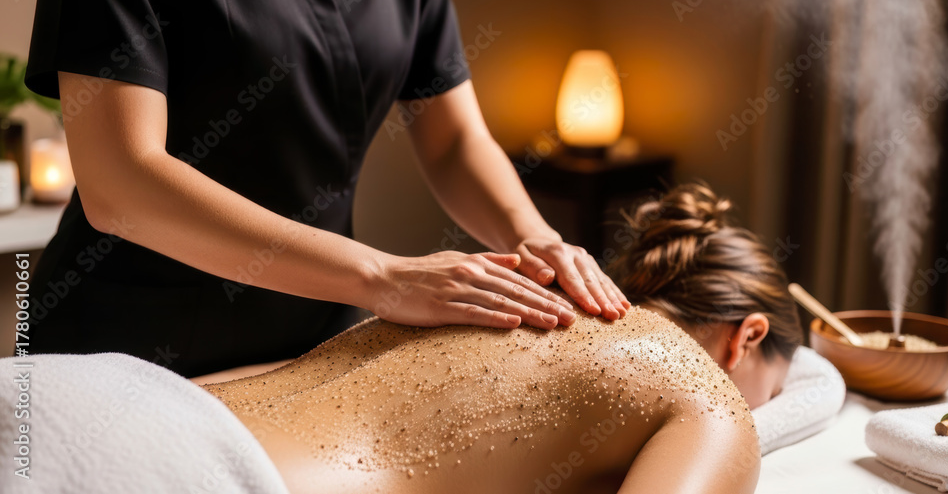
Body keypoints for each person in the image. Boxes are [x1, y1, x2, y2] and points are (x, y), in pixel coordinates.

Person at [21, 0, 628, 377]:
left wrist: (534, 238)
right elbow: (121, 180)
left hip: (321, 339)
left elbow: (453, 139)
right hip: (138, 341)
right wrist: (384, 277)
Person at [204, 183, 803, 493]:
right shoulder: (707, 399)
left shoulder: (483, 297)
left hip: (143, 400)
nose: (759, 409)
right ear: (746, 338)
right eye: (770, 391)